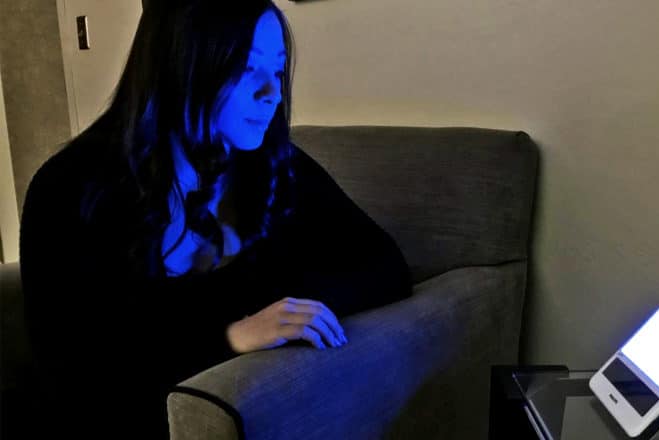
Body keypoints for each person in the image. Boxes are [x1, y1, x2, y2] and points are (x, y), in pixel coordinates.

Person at [19, 1, 412, 438]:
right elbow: (81, 379)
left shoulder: (273, 165)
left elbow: (386, 265)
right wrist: (230, 337)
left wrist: (294, 311)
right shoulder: (69, 191)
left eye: (278, 70)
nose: (273, 94)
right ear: (181, 67)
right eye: (247, 69)